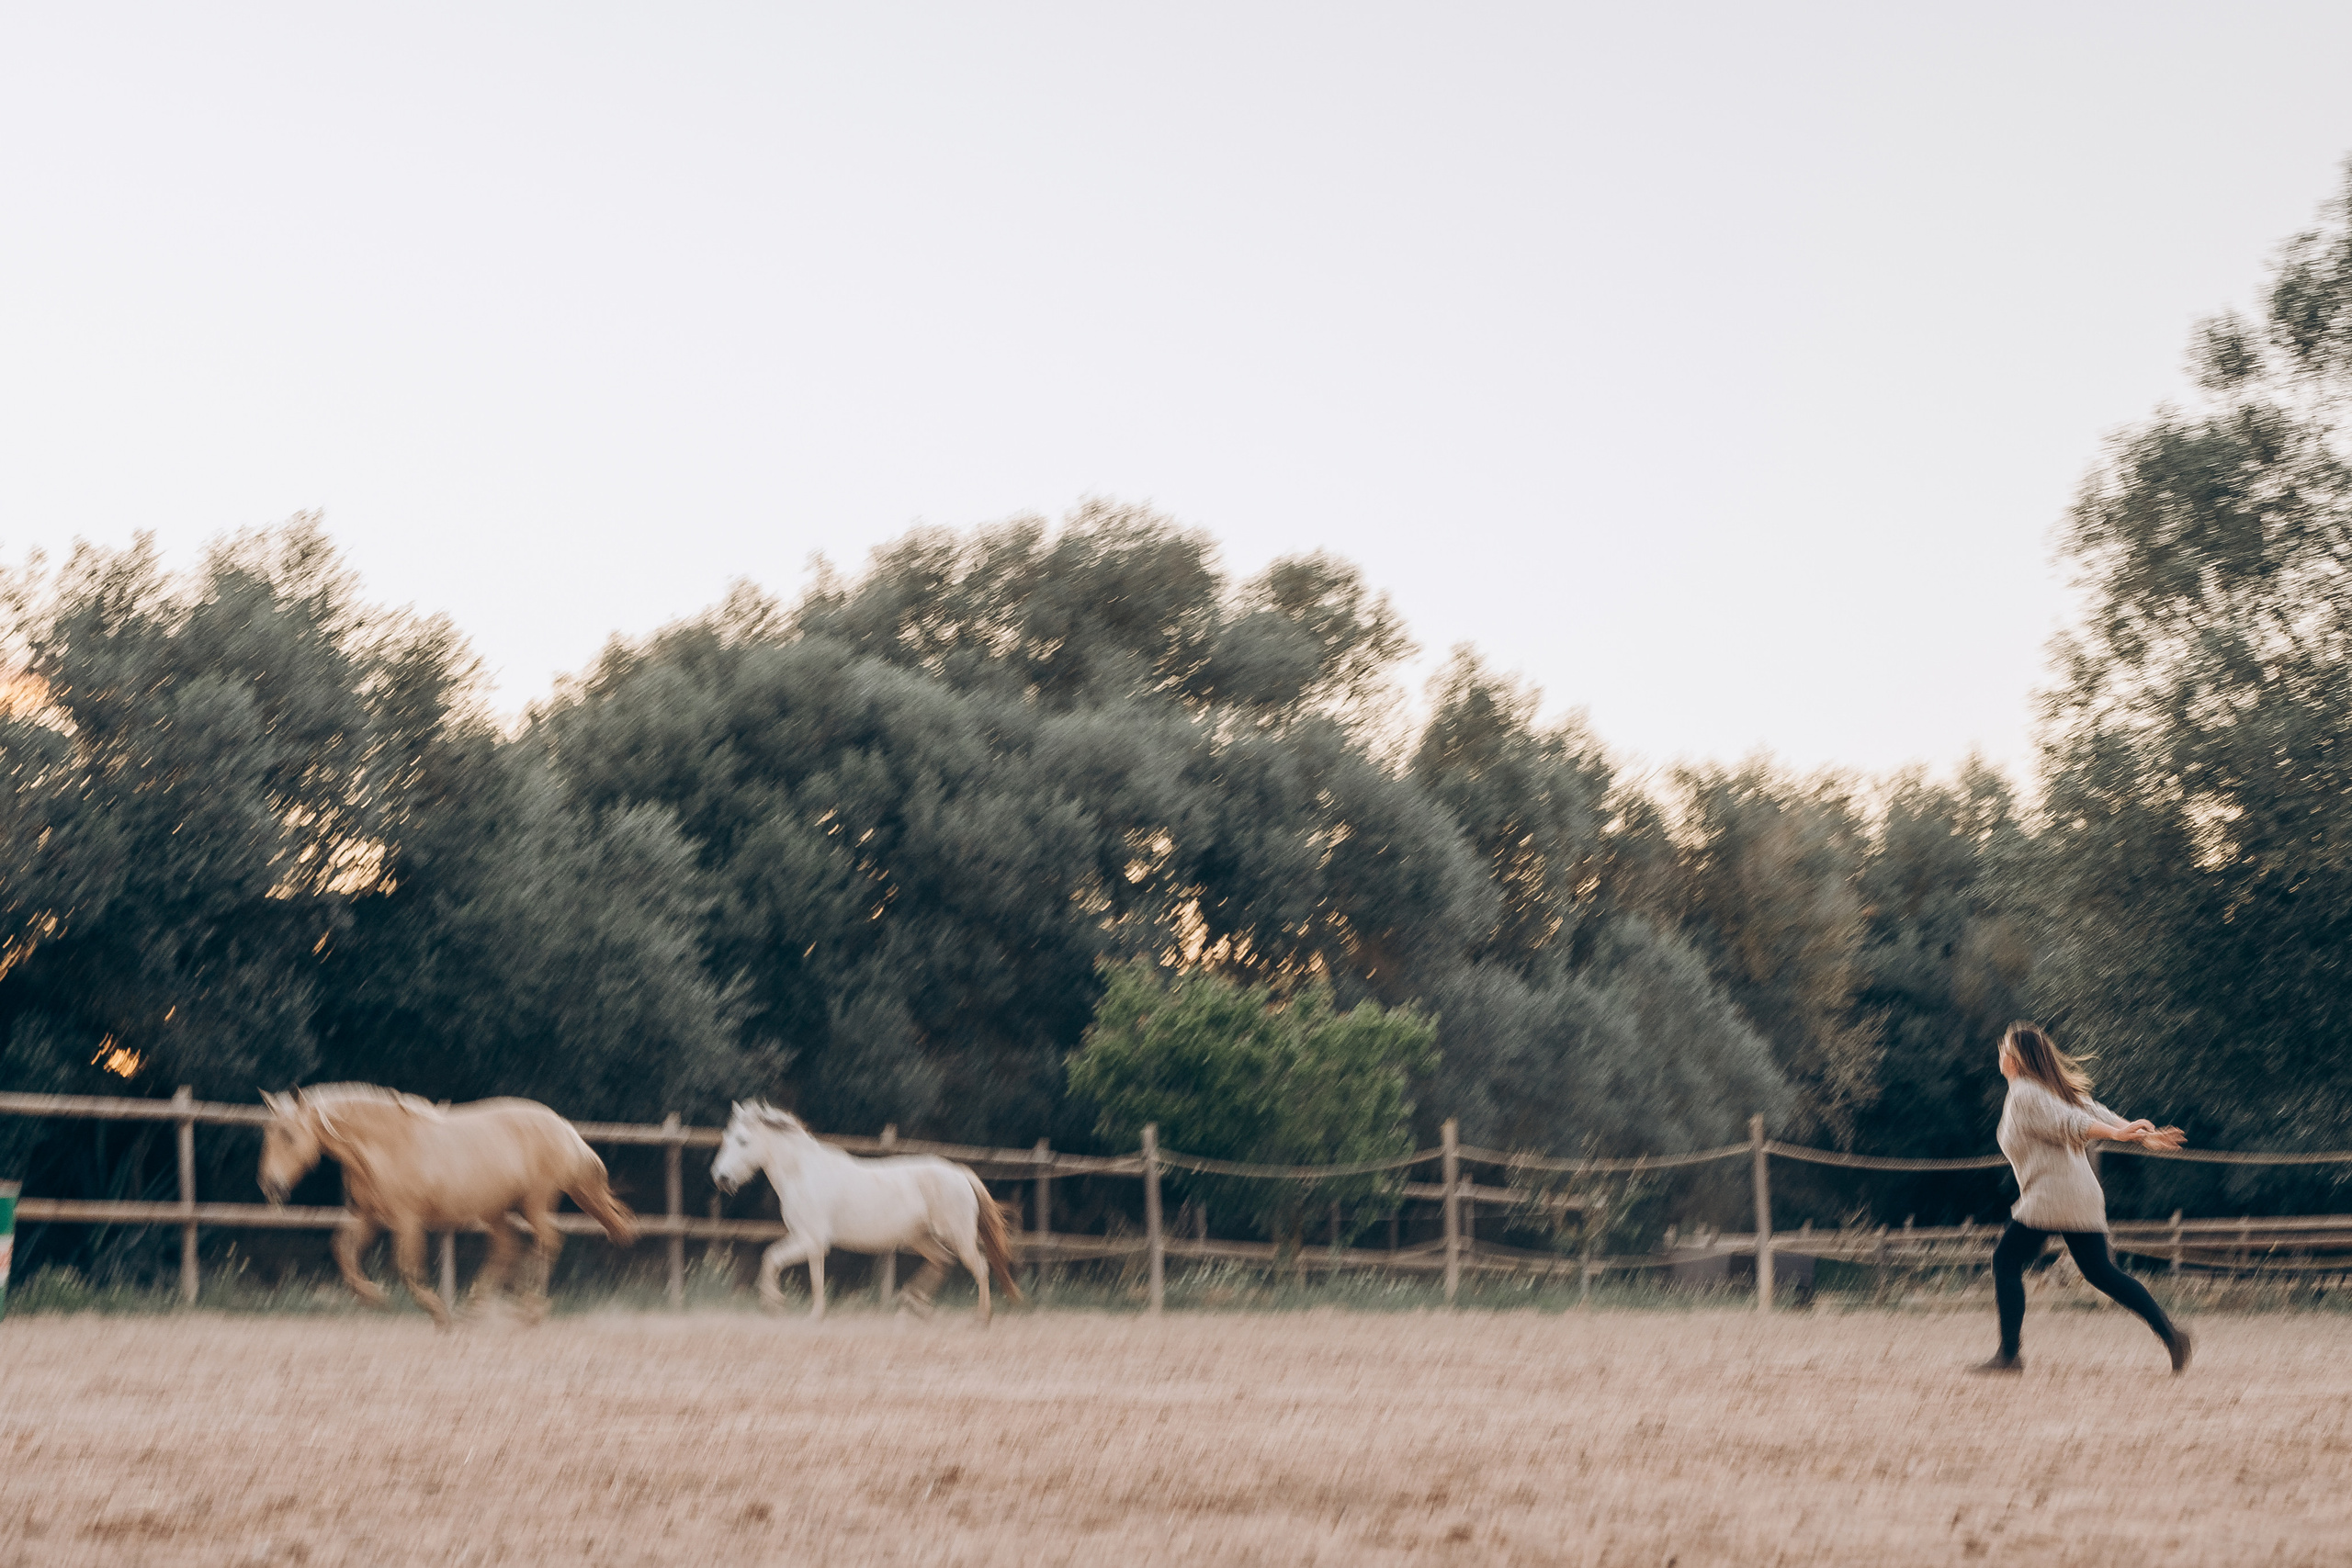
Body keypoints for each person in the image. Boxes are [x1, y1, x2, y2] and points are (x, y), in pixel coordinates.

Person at [1974, 1021, 2192, 1375]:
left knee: (2006, 1261)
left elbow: (2073, 1123)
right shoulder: (2047, 1091)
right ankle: (2172, 1334)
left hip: (2052, 1194)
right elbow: (2090, 1112)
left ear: (2012, 1058)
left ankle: (2009, 1357)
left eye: (2003, 1047)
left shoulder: (2026, 1094)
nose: (1999, 1052)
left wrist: (2125, 1135)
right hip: (2081, 1194)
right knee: (2101, 1272)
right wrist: (2132, 1134)